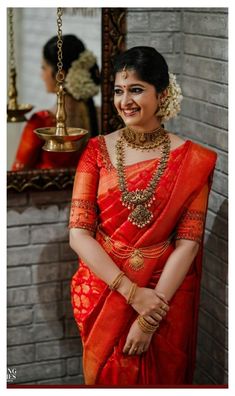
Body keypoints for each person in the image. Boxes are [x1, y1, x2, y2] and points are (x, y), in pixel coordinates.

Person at [69, 46, 217, 385]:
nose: (125, 101)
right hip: (105, 289)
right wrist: (133, 294)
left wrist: (149, 318)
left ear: (161, 93)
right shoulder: (96, 151)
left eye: (136, 89)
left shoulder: (192, 160)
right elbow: (78, 234)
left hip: (164, 294)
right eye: (119, 91)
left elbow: (188, 244)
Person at [12, 34, 100, 170]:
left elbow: (16, 176)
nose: (41, 76)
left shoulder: (41, 122)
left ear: (60, 75)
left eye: (43, 68)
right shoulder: (101, 116)